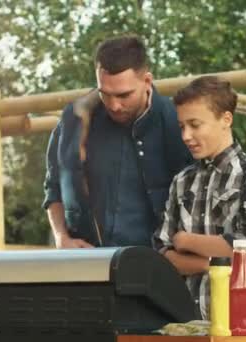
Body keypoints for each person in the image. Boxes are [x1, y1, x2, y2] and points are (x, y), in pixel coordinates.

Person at [153, 76, 246, 334]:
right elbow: (162, 255)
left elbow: (244, 246)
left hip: (245, 326)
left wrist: (185, 241)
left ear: (226, 119)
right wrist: (214, 262)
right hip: (190, 326)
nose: (186, 136)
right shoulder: (182, 181)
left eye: (195, 125)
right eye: (182, 126)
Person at [43, 35, 192, 248]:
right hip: (87, 265)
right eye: (105, 94)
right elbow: (53, 187)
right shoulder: (74, 123)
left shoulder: (177, 123)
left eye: (124, 95)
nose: (114, 105)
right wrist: (61, 237)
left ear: (147, 81)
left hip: (158, 266)